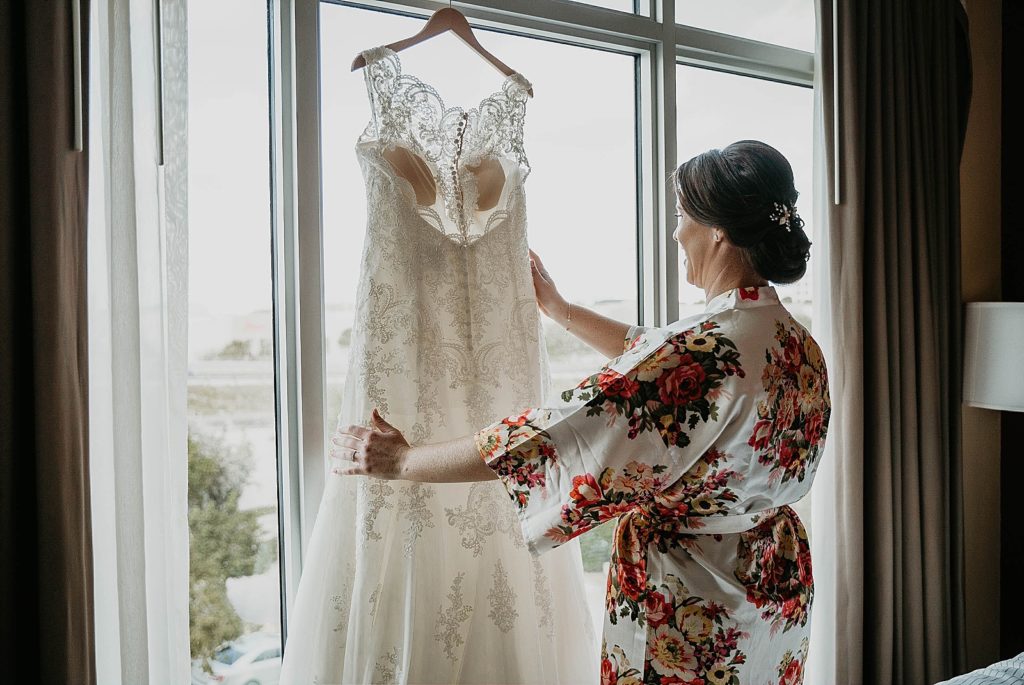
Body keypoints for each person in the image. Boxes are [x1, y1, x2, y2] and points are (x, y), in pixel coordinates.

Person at [332, 140, 831, 684]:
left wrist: (403, 460)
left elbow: (556, 436)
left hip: (695, 608)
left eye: (682, 216)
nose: (675, 232)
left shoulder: (705, 349)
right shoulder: (791, 341)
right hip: (772, 582)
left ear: (717, 230)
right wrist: (561, 310)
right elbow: (658, 358)